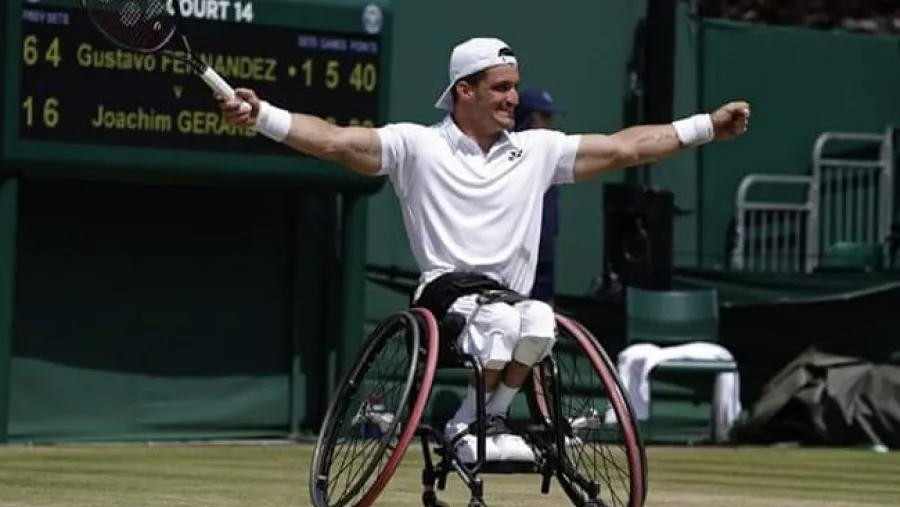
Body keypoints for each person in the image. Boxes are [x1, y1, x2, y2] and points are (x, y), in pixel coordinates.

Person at [220, 37, 750, 464]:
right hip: (444, 298)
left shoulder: (537, 151)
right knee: (502, 322)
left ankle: (481, 416)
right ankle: (475, 423)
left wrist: (707, 127)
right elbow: (334, 140)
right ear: (462, 91)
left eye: (514, 88)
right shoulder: (415, 145)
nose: (512, 99)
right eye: (499, 88)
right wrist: (263, 114)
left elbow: (624, 146)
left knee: (540, 321)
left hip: (510, 305)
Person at [514, 87, 564, 304]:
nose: (549, 122)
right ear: (531, 118)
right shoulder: (510, 155)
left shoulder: (549, 153)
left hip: (544, 255)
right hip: (517, 257)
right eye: (545, 116)